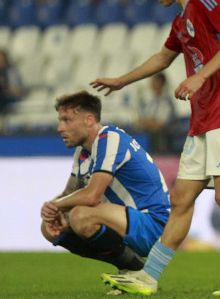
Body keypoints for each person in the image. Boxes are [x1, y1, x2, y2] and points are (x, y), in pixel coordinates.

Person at [91, 0, 220, 296]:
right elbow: (162, 59)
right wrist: (120, 80)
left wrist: (201, 77)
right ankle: (148, 277)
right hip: (203, 120)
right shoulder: (181, 20)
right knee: (181, 199)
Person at [40, 91, 170, 280]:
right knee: (50, 227)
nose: (60, 128)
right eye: (60, 120)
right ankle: (130, 267)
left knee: (79, 215)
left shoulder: (110, 138)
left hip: (153, 226)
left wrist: (56, 206)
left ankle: (135, 269)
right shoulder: (83, 152)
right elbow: (69, 193)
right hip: (125, 223)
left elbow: (91, 195)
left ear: (89, 119)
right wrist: (51, 210)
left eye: (67, 120)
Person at [137, 73, 177, 154]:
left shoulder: (167, 101)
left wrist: (149, 122)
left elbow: (160, 124)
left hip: (163, 141)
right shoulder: (149, 101)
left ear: (161, 82)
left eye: (154, 81)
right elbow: (141, 121)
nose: (151, 83)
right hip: (149, 140)